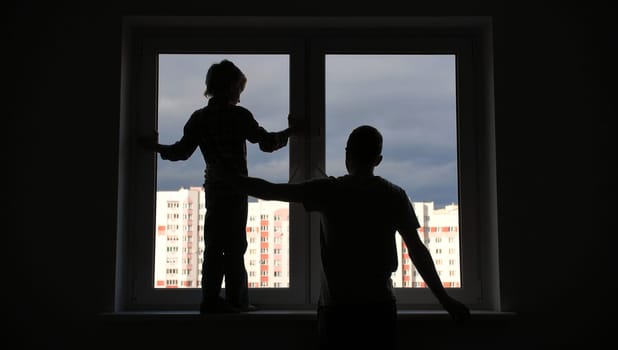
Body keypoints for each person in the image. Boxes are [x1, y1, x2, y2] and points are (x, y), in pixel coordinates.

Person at [222, 125, 470, 348]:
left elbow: (271, 190)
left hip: (338, 309)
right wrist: (445, 300)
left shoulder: (330, 191)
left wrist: (229, 178)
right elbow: (417, 251)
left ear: (346, 154)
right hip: (379, 308)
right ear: (378, 160)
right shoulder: (393, 195)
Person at [144, 59, 294, 314]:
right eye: (238, 89)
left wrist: (155, 147)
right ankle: (238, 301)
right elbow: (267, 143)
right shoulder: (239, 116)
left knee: (214, 246)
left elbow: (181, 152)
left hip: (214, 189)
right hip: (236, 189)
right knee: (235, 248)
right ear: (231, 87)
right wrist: (291, 132)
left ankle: (210, 300)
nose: (239, 95)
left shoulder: (199, 118)